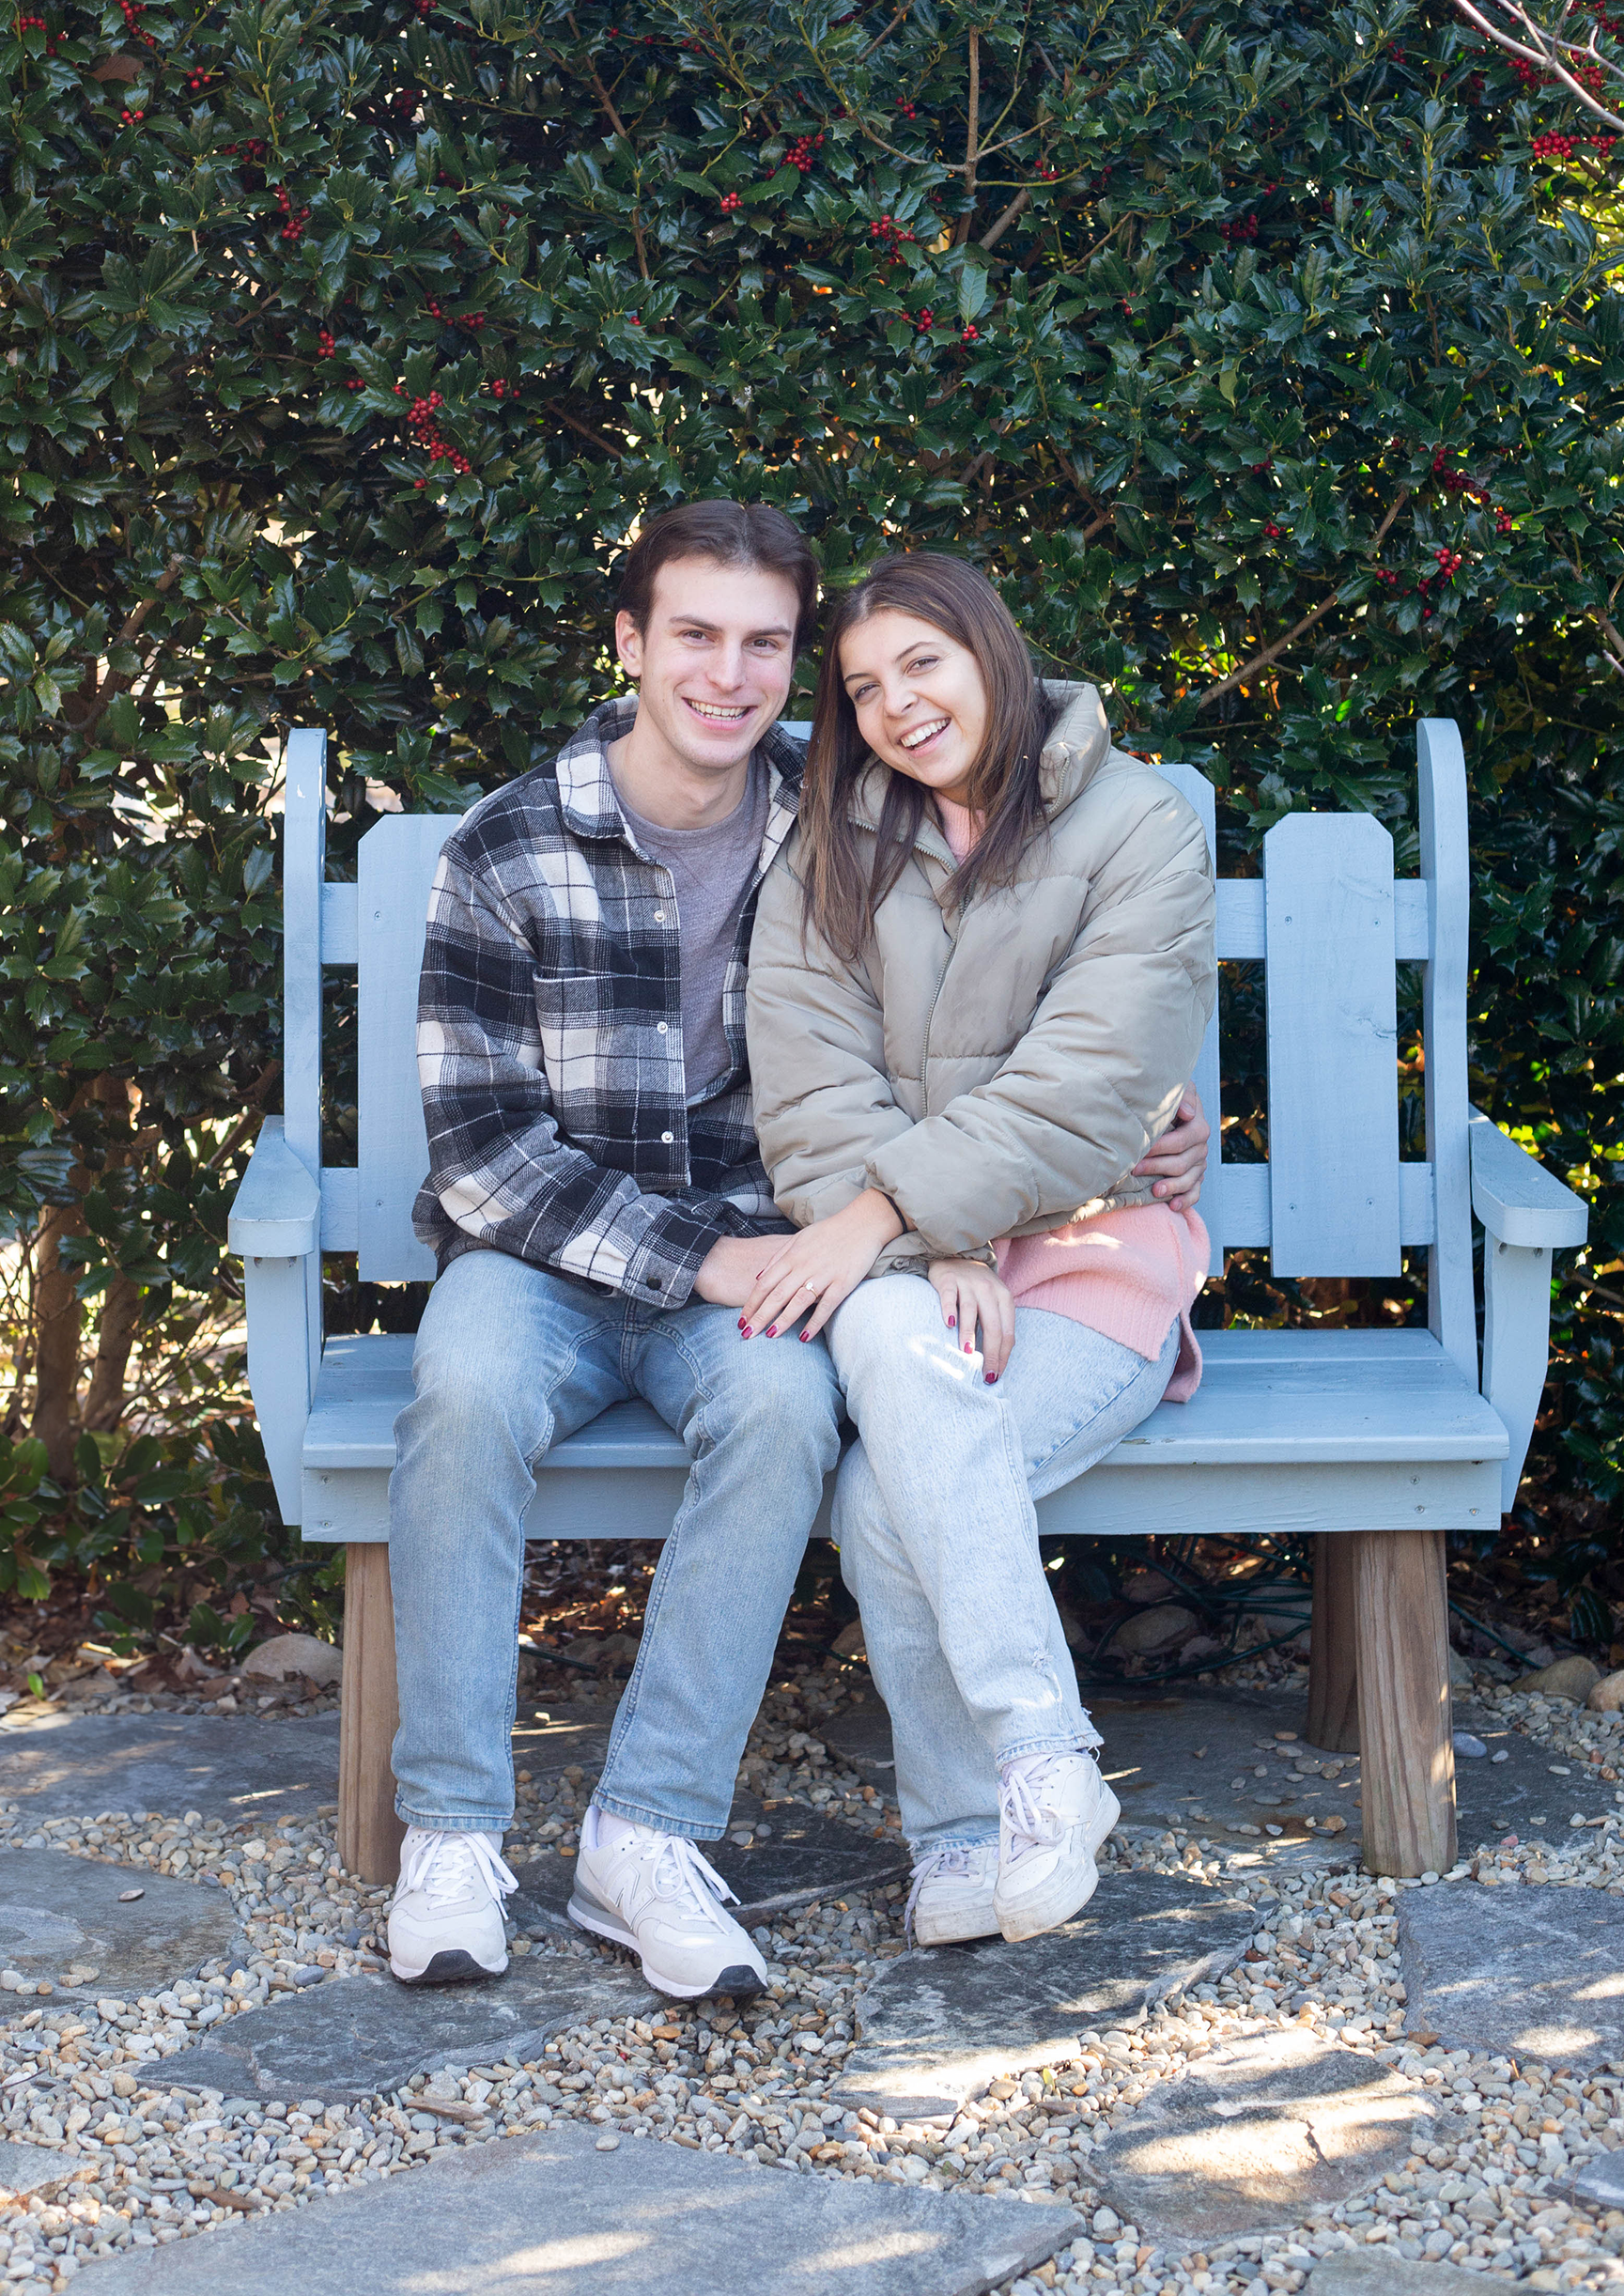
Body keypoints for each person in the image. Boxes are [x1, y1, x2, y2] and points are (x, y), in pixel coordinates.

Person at [387, 504, 1211, 2002]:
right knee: (462, 1396)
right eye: (694, 635)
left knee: (781, 1415)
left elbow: (1025, 1043)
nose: (731, 672)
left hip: (790, 1247)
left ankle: (647, 1833)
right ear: (630, 645)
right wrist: (802, 1251)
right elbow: (487, 1153)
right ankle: (450, 1832)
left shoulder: (831, 810)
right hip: (572, 1259)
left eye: (765, 643)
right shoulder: (510, 845)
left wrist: (1048, 1168)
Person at [745, 551, 1215, 1951]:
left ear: (993, 653)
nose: (898, 705)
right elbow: (811, 1079)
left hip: (1093, 1258)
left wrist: (910, 1215)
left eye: (924, 665)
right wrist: (915, 1242)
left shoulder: (1141, 826)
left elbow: (1089, 1088)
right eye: (865, 688)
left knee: (889, 1503)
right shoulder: (835, 841)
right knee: (893, 1416)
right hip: (894, 1261)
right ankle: (1036, 1777)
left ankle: (977, 1812)